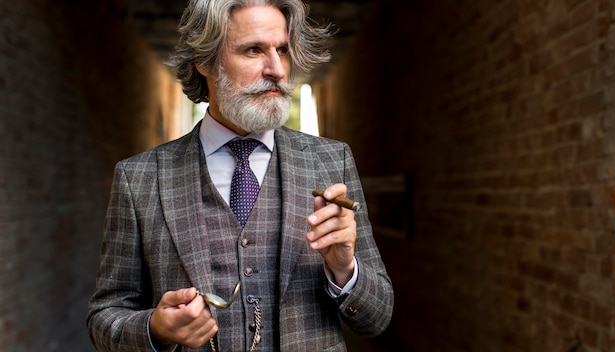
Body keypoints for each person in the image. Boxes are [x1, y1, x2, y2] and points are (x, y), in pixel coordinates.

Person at [86, 0, 394, 351]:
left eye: (282, 50)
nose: (277, 69)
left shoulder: (330, 160)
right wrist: (154, 328)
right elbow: (104, 316)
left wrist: (345, 269)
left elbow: (377, 317)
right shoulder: (138, 177)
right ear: (205, 61)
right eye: (253, 50)